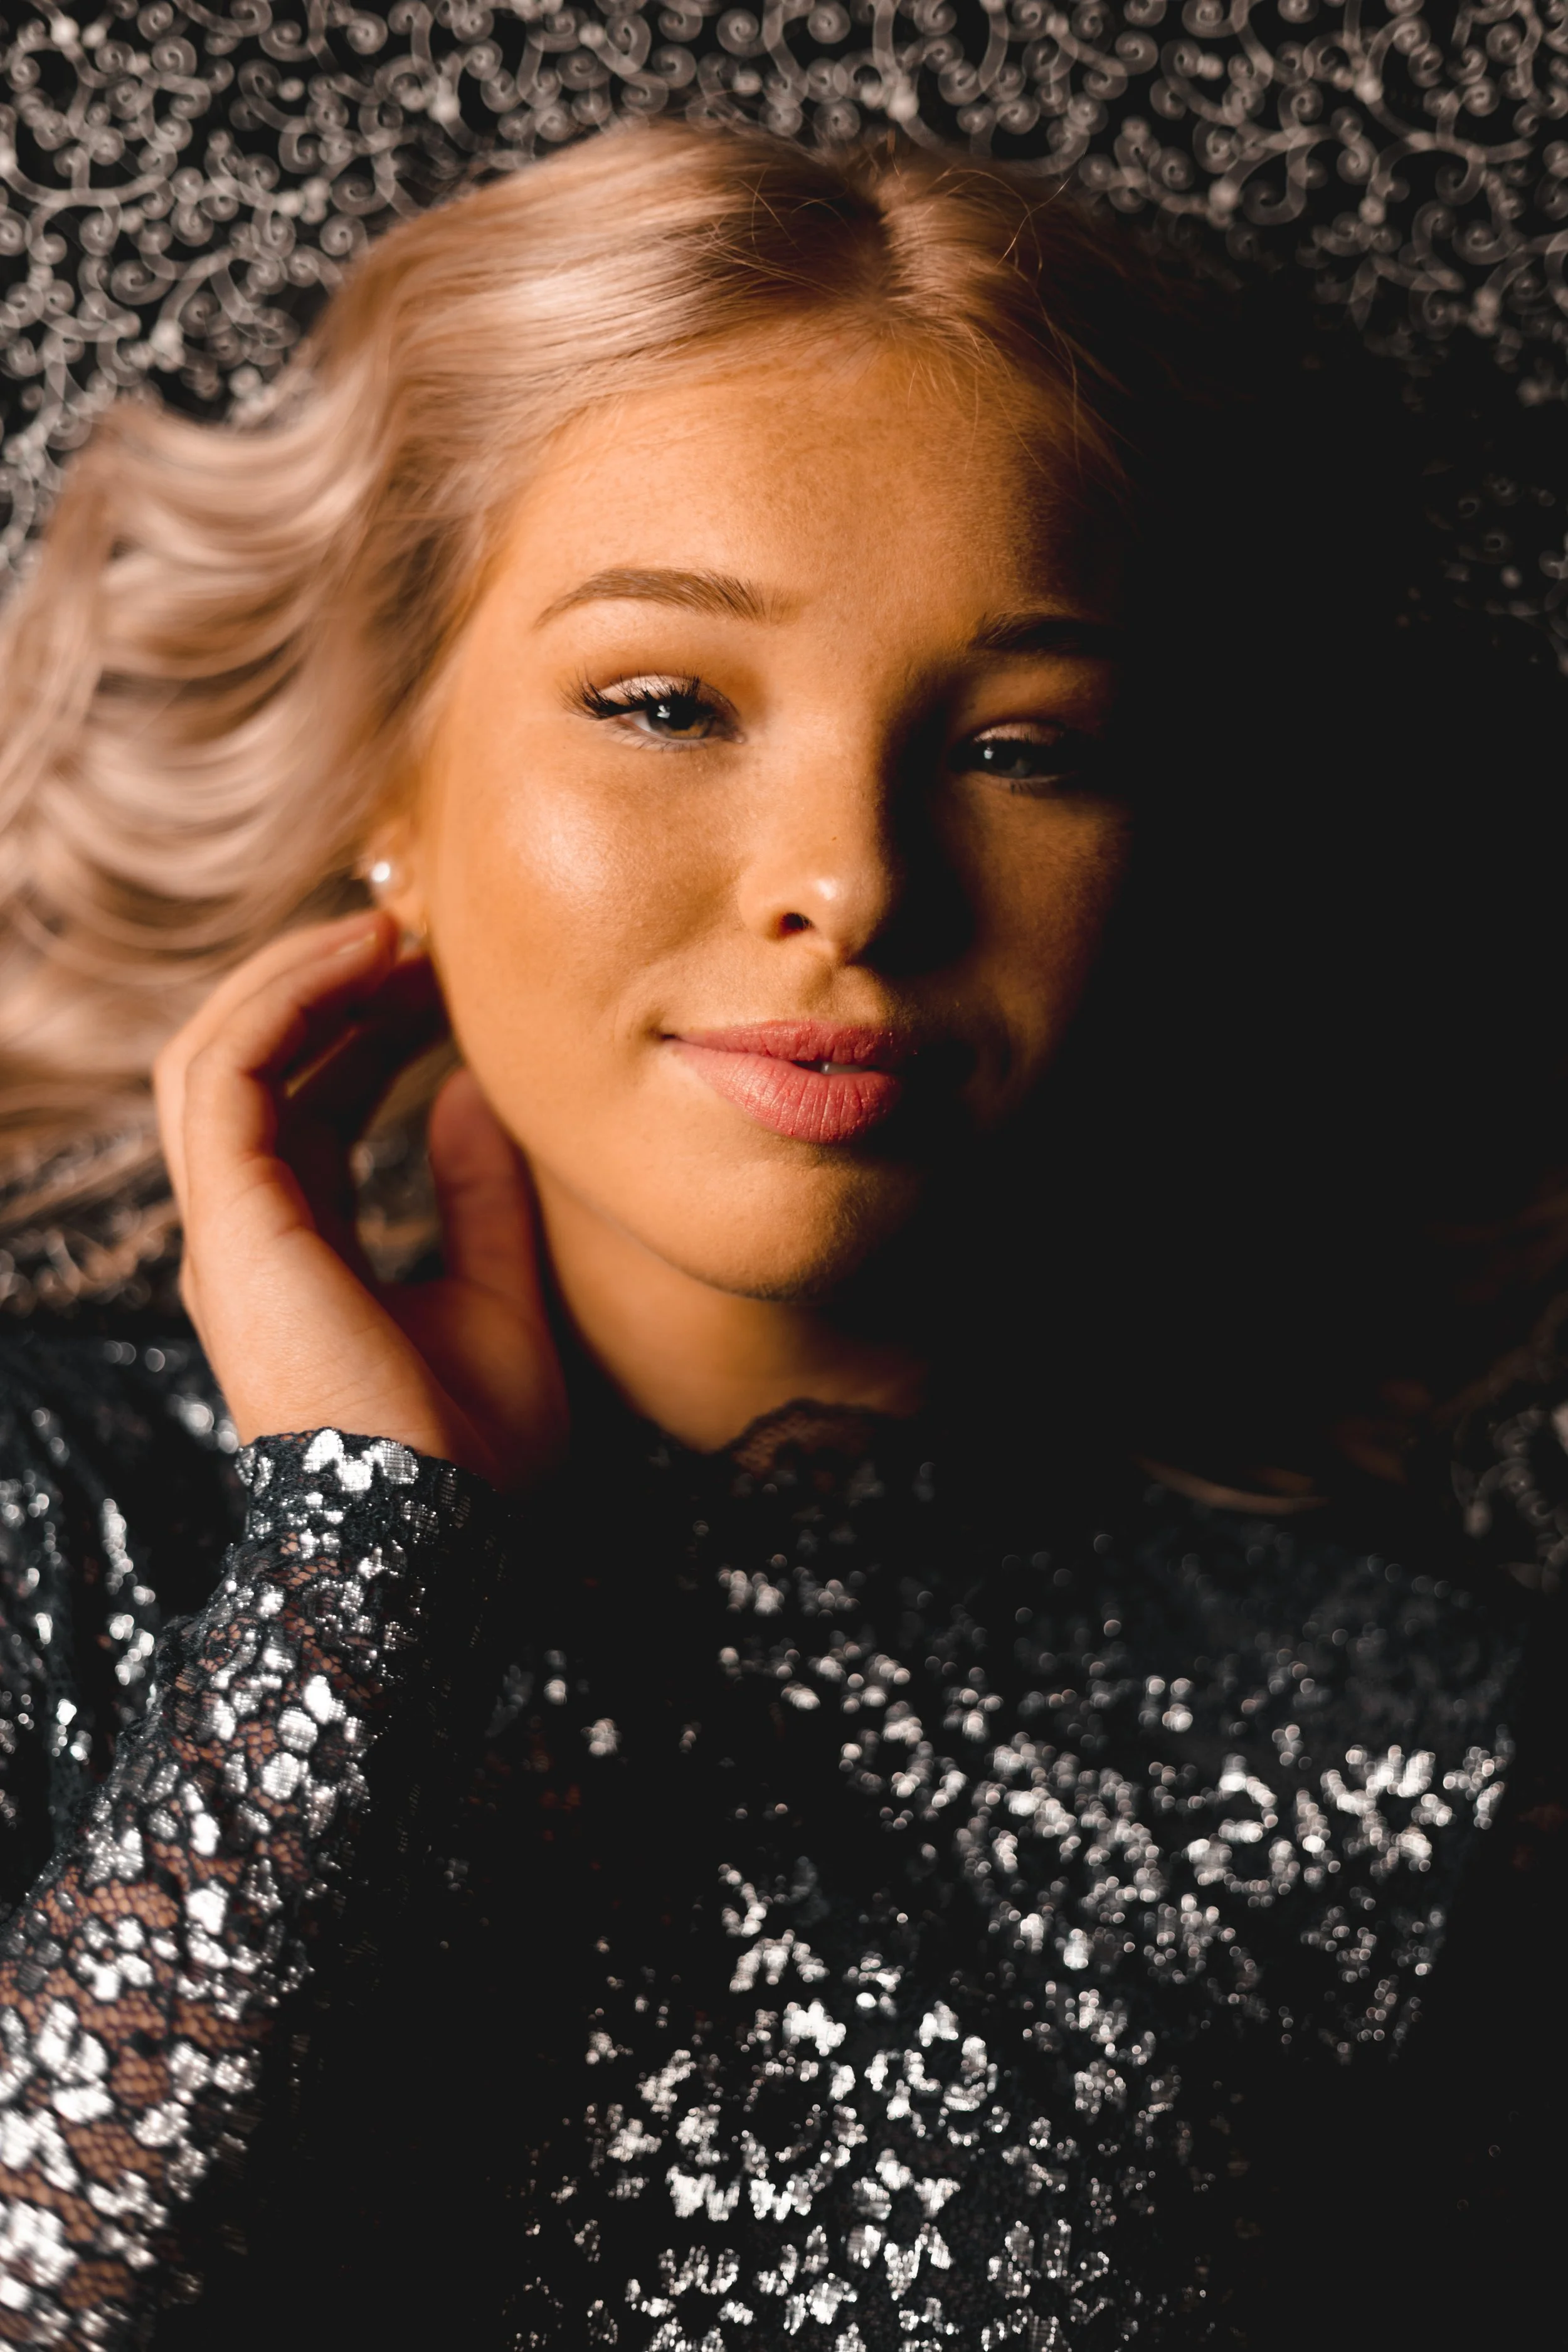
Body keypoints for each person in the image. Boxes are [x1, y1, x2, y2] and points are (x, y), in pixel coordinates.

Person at [0, 122, 1557, 2351]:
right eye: (665, 701)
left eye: (1023, 743)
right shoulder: (50, 1528)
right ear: (394, 791)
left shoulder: (1432, 1745)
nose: (851, 876)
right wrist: (358, 1561)